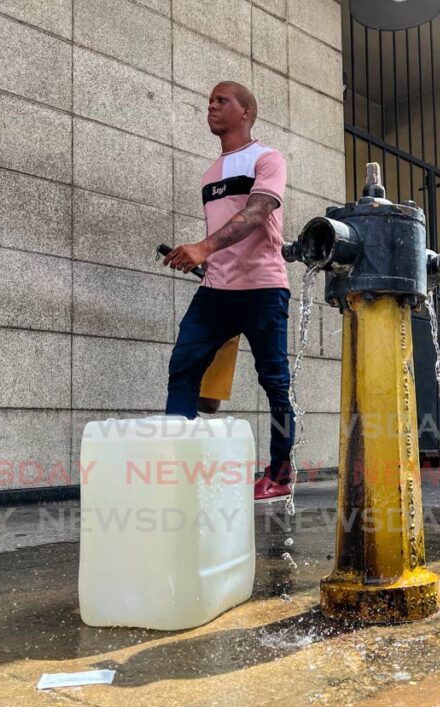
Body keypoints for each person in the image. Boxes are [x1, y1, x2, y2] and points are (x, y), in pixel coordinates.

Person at [163, 81, 293, 503]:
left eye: (222, 101)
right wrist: (201, 259)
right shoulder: (209, 174)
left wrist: (204, 245)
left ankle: (279, 474)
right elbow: (219, 229)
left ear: (246, 112)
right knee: (183, 367)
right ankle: (178, 468)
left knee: (274, 382)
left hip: (263, 288)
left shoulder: (267, 158)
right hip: (216, 290)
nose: (212, 106)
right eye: (210, 101)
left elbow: (256, 213)